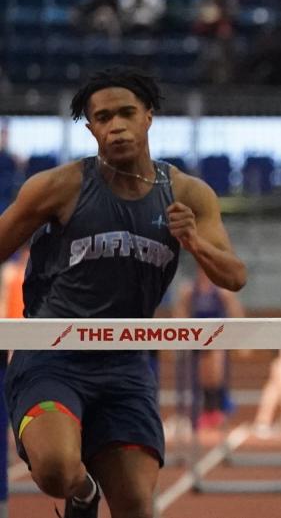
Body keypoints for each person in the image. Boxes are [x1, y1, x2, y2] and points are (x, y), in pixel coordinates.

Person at [0, 66, 246, 518]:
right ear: (90, 127)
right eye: (103, 117)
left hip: (125, 362)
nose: (116, 126)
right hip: (52, 354)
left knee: (135, 505)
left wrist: (193, 242)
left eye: (126, 113)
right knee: (55, 468)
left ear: (148, 116)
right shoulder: (59, 187)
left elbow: (234, 276)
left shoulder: (189, 193)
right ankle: (83, 493)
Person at [171, 268, 245, 431]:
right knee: (202, 374)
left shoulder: (222, 291)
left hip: (217, 337)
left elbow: (236, 312)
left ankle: (218, 406)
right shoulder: (190, 290)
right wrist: (178, 336)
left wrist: (240, 340)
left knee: (215, 371)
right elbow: (180, 313)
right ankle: (206, 409)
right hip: (198, 338)